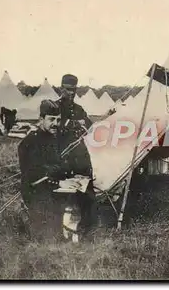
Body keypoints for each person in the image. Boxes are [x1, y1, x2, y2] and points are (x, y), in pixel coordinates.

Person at [18, 100, 93, 242]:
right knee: (49, 236)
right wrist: (58, 183)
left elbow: (58, 167)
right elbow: (34, 175)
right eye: (51, 119)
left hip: (52, 187)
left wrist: (71, 177)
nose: (55, 123)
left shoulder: (54, 139)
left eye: (58, 120)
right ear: (41, 119)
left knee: (87, 195)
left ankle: (79, 232)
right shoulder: (30, 142)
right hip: (36, 191)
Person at [55, 74, 98, 228]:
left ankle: (86, 223)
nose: (71, 93)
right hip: (62, 154)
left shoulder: (79, 108)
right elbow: (57, 124)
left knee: (86, 186)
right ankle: (62, 224)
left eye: (74, 90)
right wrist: (75, 123)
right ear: (61, 89)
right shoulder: (55, 107)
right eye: (68, 90)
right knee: (63, 189)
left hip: (79, 154)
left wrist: (79, 124)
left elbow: (89, 125)